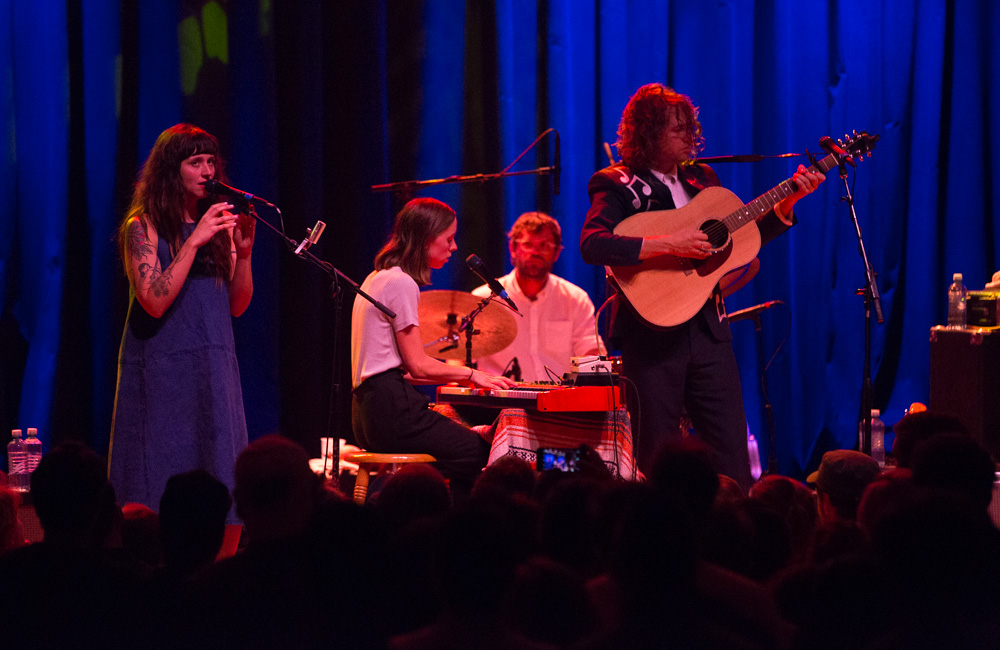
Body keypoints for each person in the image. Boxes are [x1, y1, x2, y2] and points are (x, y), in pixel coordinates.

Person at [580, 83, 825, 488]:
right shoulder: (617, 183)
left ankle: (731, 536)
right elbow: (593, 244)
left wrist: (788, 203)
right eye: (676, 129)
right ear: (648, 132)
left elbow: (741, 238)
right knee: (657, 455)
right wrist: (668, 243)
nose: (687, 136)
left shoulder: (702, 178)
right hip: (652, 335)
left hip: (709, 330)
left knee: (730, 451)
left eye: (688, 127)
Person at [108, 123, 255, 521]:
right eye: (195, 162)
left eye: (211, 162)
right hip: (163, 370)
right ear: (173, 171)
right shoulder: (143, 227)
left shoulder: (218, 227)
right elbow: (154, 301)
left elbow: (237, 306)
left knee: (222, 480)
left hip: (213, 368)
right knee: (156, 478)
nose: (208, 171)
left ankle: (218, 572)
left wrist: (244, 255)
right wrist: (193, 240)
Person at [351, 197, 516, 497]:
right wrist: (472, 375)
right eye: (449, 239)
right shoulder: (401, 283)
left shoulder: (376, 278)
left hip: (366, 413)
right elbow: (416, 365)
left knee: (451, 452)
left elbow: (400, 369)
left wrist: (455, 378)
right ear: (427, 239)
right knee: (481, 455)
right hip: (391, 411)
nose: (454, 247)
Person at [472, 212, 605, 382]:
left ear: (557, 253)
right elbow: (459, 356)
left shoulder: (575, 299)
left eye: (544, 245)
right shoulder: (483, 299)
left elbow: (590, 353)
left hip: (559, 401)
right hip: (500, 401)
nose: (535, 252)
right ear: (513, 249)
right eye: (527, 244)